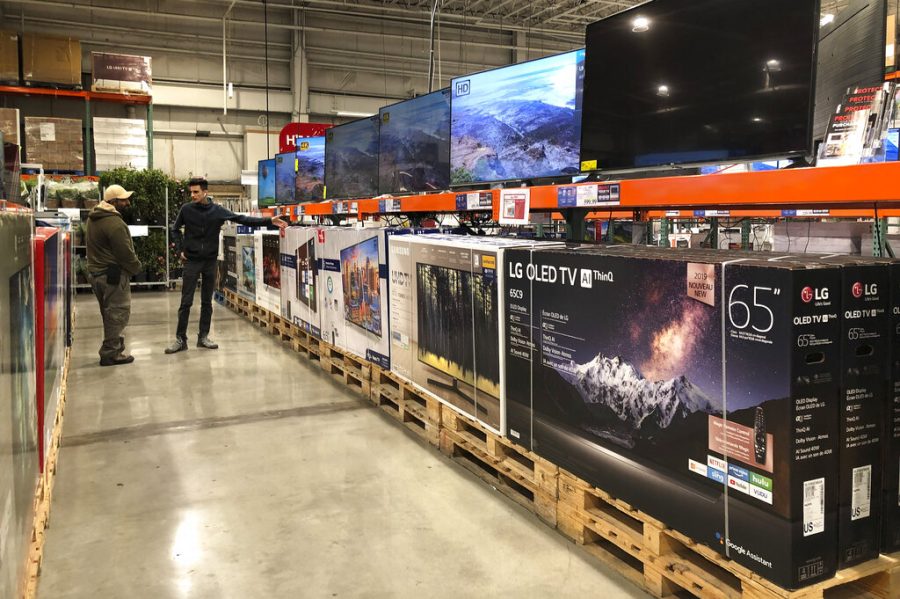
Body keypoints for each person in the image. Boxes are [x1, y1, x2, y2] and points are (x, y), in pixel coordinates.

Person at [165, 177, 287, 354]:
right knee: (186, 302)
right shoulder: (186, 209)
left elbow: (242, 219)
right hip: (192, 261)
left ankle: (203, 337)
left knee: (207, 301)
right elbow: (174, 229)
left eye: (196, 192)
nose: (192, 195)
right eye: (191, 192)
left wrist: (269, 221)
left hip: (210, 261)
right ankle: (180, 339)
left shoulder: (217, 211)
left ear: (205, 192)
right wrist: (180, 249)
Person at [85, 184, 143, 366]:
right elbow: (125, 254)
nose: (127, 202)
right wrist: (136, 268)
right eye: (123, 200)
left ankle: (115, 347)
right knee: (118, 312)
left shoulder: (93, 218)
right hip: (113, 275)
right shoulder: (115, 223)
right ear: (113, 202)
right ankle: (110, 353)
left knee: (108, 312)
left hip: (96, 273)